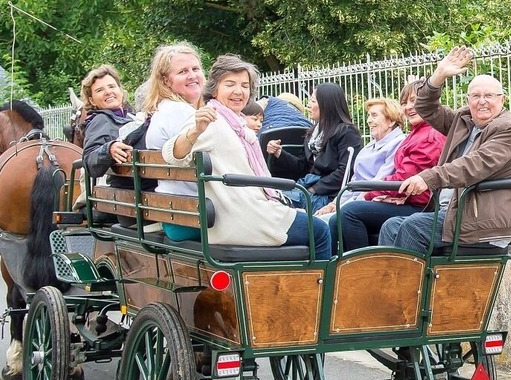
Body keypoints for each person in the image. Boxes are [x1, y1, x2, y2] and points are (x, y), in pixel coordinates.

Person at [163, 54, 332, 260]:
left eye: (244, 85)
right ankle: (321, 290)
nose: (238, 91)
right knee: (321, 230)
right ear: (215, 89)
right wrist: (195, 131)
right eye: (230, 84)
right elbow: (171, 154)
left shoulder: (238, 123)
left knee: (308, 218)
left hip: (247, 211)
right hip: (242, 216)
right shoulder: (212, 120)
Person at [378, 46, 511, 256]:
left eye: (489, 96)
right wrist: (438, 76)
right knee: (391, 225)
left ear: (502, 99)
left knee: (413, 226)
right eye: (475, 96)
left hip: (481, 222)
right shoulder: (465, 120)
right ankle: (389, 285)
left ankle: (404, 288)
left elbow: (472, 165)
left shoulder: (506, 129)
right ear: (468, 100)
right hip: (451, 214)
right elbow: (426, 108)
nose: (482, 101)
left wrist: (427, 177)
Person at [329, 86, 445, 251]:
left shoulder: (429, 137)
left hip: (419, 205)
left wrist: (370, 194)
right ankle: (337, 270)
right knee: (337, 218)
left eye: (414, 101)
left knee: (348, 213)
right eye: (404, 102)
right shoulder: (416, 134)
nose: (408, 107)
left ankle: (362, 270)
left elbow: (405, 180)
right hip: (402, 199)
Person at [266, 83, 361, 211]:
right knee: (269, 199)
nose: (308, 105)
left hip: (329, 196)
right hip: (306, 187)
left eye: (312, 101)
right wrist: (279, 153)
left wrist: (314, 189)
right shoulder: (312, 134)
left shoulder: (346, 132)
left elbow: (346, 172)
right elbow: (303, 167)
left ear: (326, 105)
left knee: (276, 205)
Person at [141, 43, 207, 219]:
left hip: (177, 209)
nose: (192, 76)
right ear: (166, 81)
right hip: (193, 213)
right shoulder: (180, 112)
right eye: (183, 72)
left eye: (195, 69)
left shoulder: (166, 109)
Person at [78, 64, 139, 188]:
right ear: (92, 101)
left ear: (121, 92)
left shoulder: (132, 118)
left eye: (112, 86)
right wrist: (108, 150)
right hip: (122, 193)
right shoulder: (101, 120)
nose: (108, 92)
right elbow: (89, 160)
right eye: (100, 90)